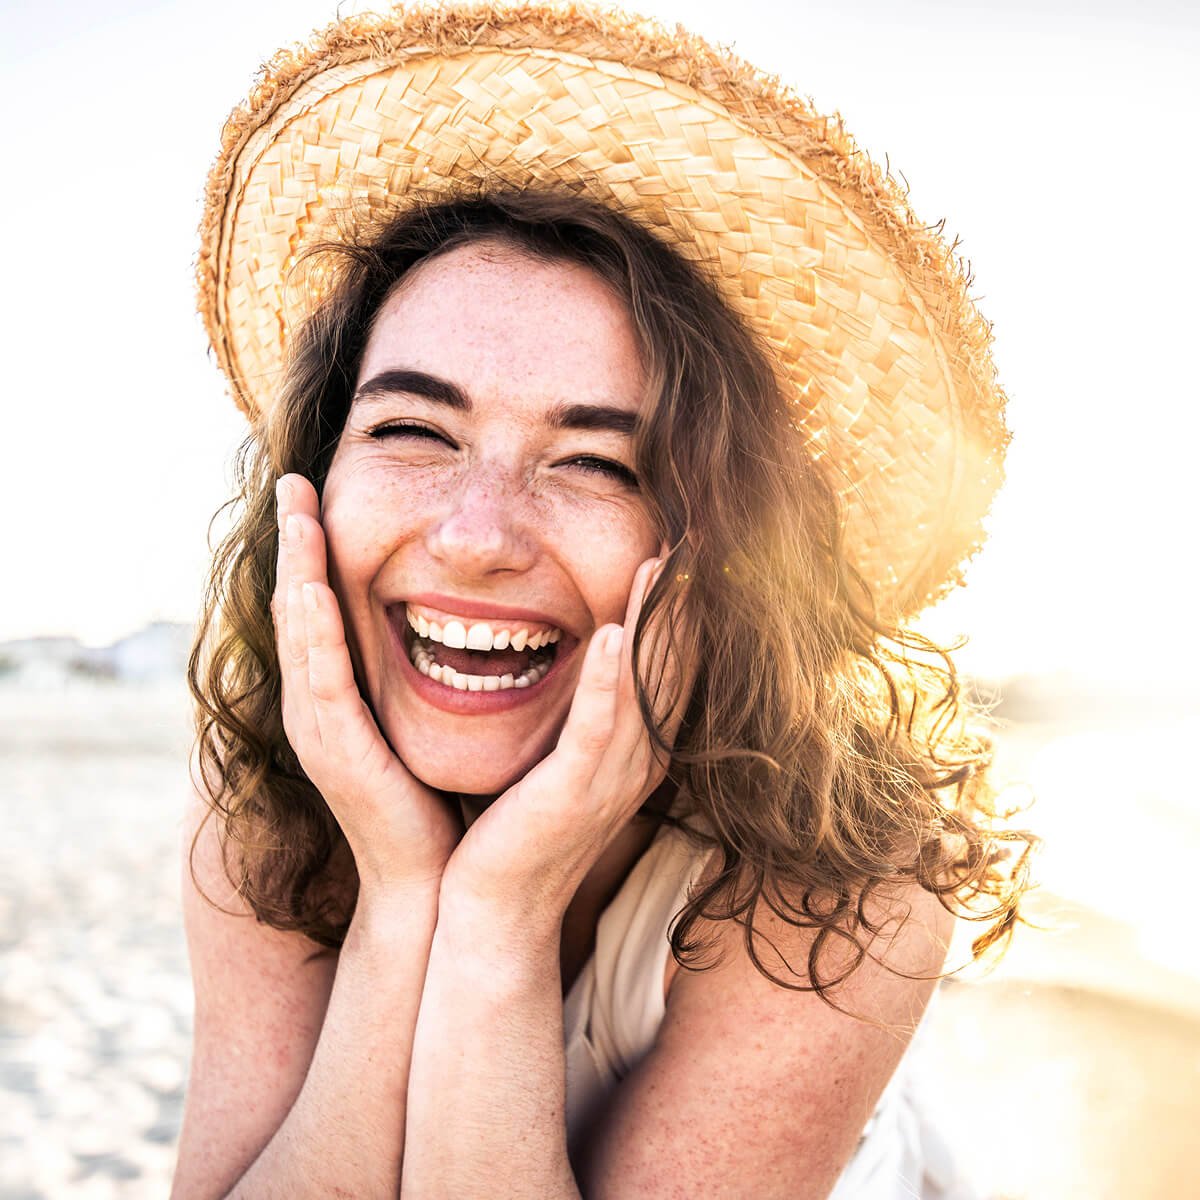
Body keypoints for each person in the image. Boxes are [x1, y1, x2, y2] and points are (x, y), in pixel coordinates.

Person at [174, 5, 1034, 1197]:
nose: (475, 539)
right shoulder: (273, 811)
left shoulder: (846, 887)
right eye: (414, 429)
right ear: (313, 485)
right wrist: (399, 902)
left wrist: (502, 916)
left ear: (723, 545)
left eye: (596, 463)